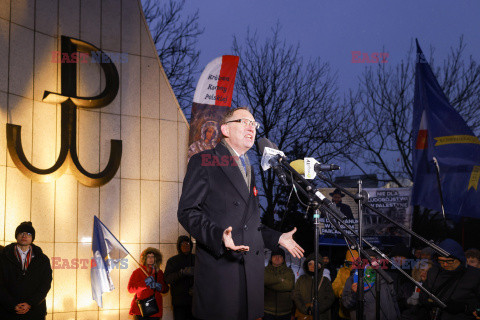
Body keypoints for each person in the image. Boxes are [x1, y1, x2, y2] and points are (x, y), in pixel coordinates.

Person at [178, 107, 304, 320]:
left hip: (250, 279)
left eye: (254, 124)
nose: (251, 128)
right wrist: (218, 235)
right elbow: (187, 212)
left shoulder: (248, 168)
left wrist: (277, 237)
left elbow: (250, 225)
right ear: (225, 129)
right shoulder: (205, 161)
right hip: (222, 276)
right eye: (244, 122)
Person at [0, 221, 53, 320]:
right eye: (21, 233)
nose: (24, 236)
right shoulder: (3, 256)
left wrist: (30, 303)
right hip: (7, 311)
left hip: (34, 311)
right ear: (16, 236)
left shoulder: (42, 259)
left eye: (28, 233)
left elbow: (46, 284)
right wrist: (11, 304)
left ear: (32, 238)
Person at [416, 239, 480, 320]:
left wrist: (465, 307)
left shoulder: (475, 275)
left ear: (460, 259)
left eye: (450, 261)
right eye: (441, 261)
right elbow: (423, 296)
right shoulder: (433, 272)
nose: (445, 264)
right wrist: (430, 302)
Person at [341, 249, 401, 320]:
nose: (371, 263)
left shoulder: (385, 277)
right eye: (367, 260)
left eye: (374, 260)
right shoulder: (354, 279)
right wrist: (354, 294)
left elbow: (394, 301)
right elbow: (346, 304)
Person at [128, 247, 169, 320]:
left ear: (156, 258)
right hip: (140, 310)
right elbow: (130, 289)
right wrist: (144, 283)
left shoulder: (159, 272)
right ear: (144, 259)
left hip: (155, 310)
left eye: (152, 257)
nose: (150, 259)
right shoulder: (138, 272)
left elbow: (166, 289)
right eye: (148, 257)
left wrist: (160, 287)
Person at [293, 253, 335, 320]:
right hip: (304, 316)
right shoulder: (301, 279)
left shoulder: (325, 281)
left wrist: (317, 309)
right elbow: (296, 296)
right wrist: (304, 309)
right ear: (306, 265)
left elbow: (330, 298)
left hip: (321, 316)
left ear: (320, 266)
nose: (312, 266)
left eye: (316, 264)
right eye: (310, 264)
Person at [164, 236, 196, 320]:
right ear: (179, 246)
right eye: (182, 244)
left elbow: (206, 277)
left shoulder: (197, 259)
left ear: (191, 245)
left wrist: (197, 288)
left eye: (188, 243)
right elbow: (167, 279)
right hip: (179, 302)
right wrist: (181, 273)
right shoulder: (172, 261)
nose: (185, 246)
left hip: (196, 302)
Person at [263, 248, 295, 320]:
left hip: (285, 312)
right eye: (275, 256)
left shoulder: (289, 271)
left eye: (280, 256)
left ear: (283, 259)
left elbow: (289, 285)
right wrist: (281, 280)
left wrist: (270, 283)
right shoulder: (265, 270)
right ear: (271, 258)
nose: (277, 258)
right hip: (267, 311)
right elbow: (264, 280)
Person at [386, 243, 415, 314]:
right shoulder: (387, 270)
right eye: (395, 257)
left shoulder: (413, 271)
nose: (397, 259)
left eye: (401, 257)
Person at [332, 249, 359, 319]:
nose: (353, 264)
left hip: (358, 310)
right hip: (344, 310)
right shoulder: (342, 271)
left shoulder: (362, 271)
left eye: (355, 262)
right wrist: (341, 292)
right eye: (351, 262)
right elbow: (335, 286)